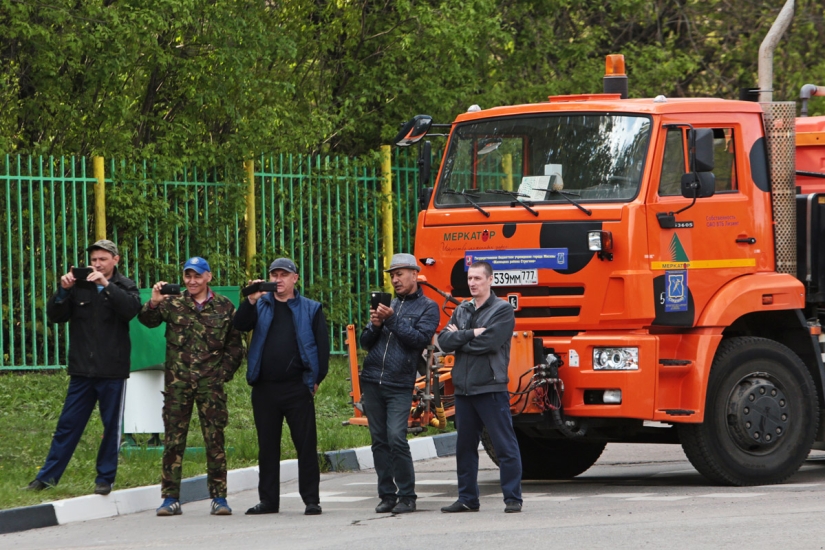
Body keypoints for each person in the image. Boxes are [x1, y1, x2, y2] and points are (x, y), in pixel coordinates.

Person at [27, 239, 140, 495]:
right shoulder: (78, 286)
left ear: (115, 260)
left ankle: (105, 478)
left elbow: (131, 310)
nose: (97, 264)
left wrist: (105, 285)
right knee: (67, 425)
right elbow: (56, 316)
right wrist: (64, 291)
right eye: (94, 260)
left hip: (112, 370)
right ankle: (46, 478)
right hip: (81, 371)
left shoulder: (125, 285)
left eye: (102, 259)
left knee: (111, 427)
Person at [137, 257, 244, 517]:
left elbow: (235, 346)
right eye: (188, 276)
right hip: (178, 385)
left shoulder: (224, 306)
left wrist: (221, 375)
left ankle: (219, 498)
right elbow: (147, 320)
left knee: (214, 441)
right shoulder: (173, 303)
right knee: (173, 441)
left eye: (197, 276)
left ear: (208, 277)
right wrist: (153, 301)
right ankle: (170, 498)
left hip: (211, 386)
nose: (192, 281)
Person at [233, 257, 329, 516]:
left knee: (306, 445)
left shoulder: (311, 308)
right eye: (274, 274)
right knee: (267, 447)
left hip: (297, 387)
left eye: (284, 275)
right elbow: (239, 324)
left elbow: (322, 348)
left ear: (295, 278)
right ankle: (268, 501)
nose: (278, 279)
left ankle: (311, 500)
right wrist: (251, 299)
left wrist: (316, 380)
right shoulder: (261, 304)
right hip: (265, 388)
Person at [436, 260, 522, 514]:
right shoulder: (462, 309)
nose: (472, 283)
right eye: (470, 279)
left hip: (491, 388)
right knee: (464, 448)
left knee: (504, 446)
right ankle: (467, 499)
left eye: (478, 279)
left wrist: (460, 338)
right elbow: (444, 341)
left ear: (490, 280)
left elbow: (491, 343)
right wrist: (472, 334)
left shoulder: (502, 310)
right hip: (463, 390)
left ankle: (512, 498)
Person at [359, 253, 439, 515]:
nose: (395, 279)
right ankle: (387, 495)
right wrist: (375, 325)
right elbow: (366, 343)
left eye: (400, 274)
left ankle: (407, 496)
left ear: (415, 274)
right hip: (372, 380)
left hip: (399, 382)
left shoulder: (428, 307)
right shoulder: (388, 304)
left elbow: (419, 339)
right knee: (379, 440)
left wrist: (391, 320)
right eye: (392, 275)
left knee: (396, 438)